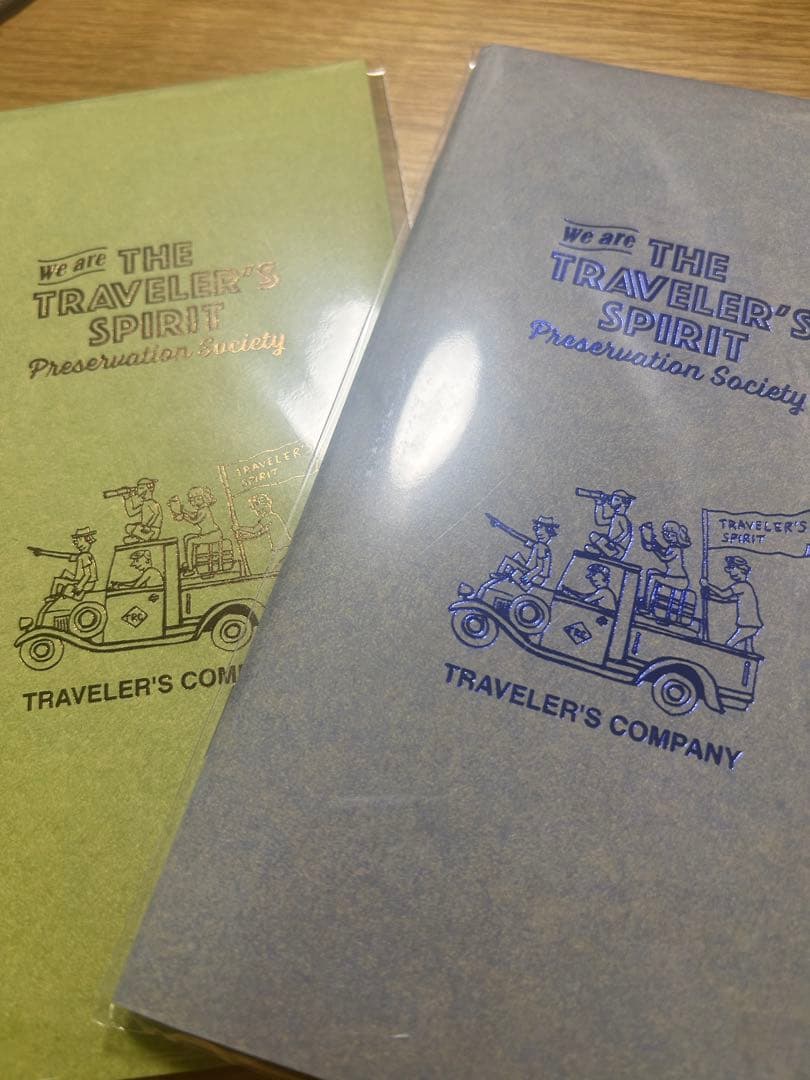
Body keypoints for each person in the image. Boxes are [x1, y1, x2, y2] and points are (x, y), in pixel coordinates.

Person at [476, 514, 560, 598]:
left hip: (537, 577)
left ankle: (501, 575)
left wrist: (528, 576)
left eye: (541, 529)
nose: (538, 532)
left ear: (549, 531)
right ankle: (506, 576)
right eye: (536, 528)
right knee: (517, 557)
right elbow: (519, 536)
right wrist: (500, 525)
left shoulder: (541, 547)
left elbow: (540, 568)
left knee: (508, 561)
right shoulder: (538, 545)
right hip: (532, 571)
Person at [700, 555, 763, 653]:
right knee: (748, 649)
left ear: (742, 569)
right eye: (729, 570)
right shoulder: (745, 587)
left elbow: (724, 594)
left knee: (730, 644)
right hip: (751, 625)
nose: (731, 573)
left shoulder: (742, 585)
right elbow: (728, 600)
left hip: (748, 625)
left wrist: (707, 585)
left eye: (733, 569)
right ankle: (750, 661)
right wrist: (710, 596)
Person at [29, 527, 99, 601]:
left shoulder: (85, 556)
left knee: (57, 581)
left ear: (86, 540)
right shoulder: (82, 555)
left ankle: (55, 596)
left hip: (87, 583)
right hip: (82, 580)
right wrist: (43, 552)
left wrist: (79, 586)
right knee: (65, 573)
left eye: (78, 540)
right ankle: (62, 593)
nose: (76, 543)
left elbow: (87, 575)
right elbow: (66, 555)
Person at [639, 519, 691, 608]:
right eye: (666, 533)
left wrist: (653, 548)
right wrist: (651, 540)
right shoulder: (671, 547)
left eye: (671, 534)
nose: (667, 536)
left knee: (654, 577)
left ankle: (646, 605)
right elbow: (662, 550)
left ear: (677, 536)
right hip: (671, 576)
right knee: (651, 572)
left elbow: (664, 558)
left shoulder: (676, 549)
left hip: (679, 580)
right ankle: (645, 598)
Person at [170, 486, 223, 572]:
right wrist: (183, 510)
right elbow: (193, 515)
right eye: (192, 499)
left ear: (202, 498)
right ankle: (189, 562)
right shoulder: (201, 509)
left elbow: (195, 520)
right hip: (206, 534)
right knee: (187, 537)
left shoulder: (204, 510)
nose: (192, 502)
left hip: (213, 534)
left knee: (190, 541)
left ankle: (190, 568)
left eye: (195, 499)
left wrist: (183, 516)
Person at [584, 489, 634, 561]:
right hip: (611, 546)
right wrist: (599, 504)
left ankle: (608, 553)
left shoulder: (622, 518)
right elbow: (600, 521)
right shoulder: (616, 517)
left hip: (618, 550)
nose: (611, 501)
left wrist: (614, 542)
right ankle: (604, 553)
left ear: (624, 503)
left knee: (594, 537)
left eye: (616, 499)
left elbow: (625, 532)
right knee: (593, 536)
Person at [122, 478, 162, 544]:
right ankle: (141, 538)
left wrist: (148, 526)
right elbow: (131, 513)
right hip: (144, 530)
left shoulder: (152, 503)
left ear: (150, 488)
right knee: (128, 528)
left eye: (141, 488)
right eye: (138, 488)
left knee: (131, 529)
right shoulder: (144, 504)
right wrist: (127, 498)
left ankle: (143, 538)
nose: (138, 490)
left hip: (153, 530)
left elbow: (156, 514)